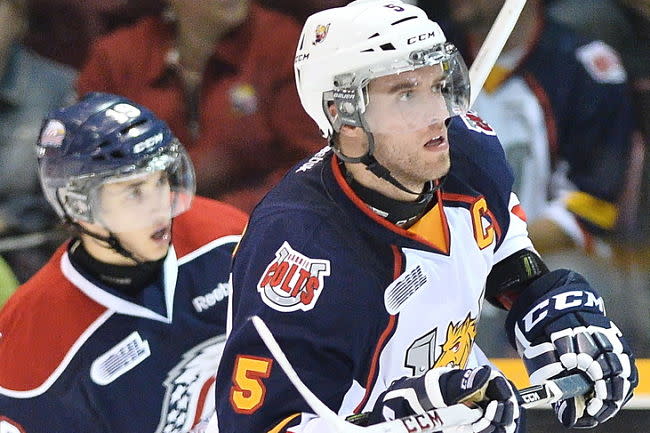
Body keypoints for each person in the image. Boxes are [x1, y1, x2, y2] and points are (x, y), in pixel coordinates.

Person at [211, 1, 638, 432]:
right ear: (345, 116)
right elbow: (265, 426)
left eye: (438, 85)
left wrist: (539, 302)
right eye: (406, 94)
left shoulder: (468, 151)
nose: (438, 115)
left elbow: (499, 242)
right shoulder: (299, 255)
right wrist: (398, 427)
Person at [0, 93, 247, 432]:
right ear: (79, 206)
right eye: (133, 192)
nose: (160, 206)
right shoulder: (31, 338)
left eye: (161, 181)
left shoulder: (223, 237)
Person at [76, 0, 323, 213]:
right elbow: (88, 176)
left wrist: (209, 215)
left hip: (255, 230)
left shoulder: (284, 45)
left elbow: (314, 165)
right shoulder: (114, 59)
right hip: (142, 233)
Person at [0, 0, 76, 283]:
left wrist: (10, 219)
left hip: (29, 257)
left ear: (19, 20)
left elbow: (68, 195)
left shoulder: (58, 93)